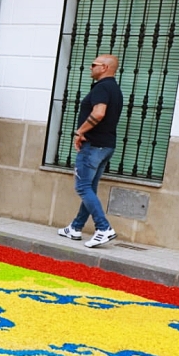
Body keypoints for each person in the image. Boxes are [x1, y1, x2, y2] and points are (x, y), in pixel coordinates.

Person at [59, 54, 123, 249]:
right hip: (106, 145)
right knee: (90, 188)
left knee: (82, 187)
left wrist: (80, 131)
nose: (90, 67)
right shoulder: (115, 89)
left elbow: (99, 113)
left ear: (104, 67)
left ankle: (103, 228)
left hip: (94, 145)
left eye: (93, 64)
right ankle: (75, 227)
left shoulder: (102, 87)